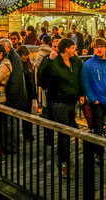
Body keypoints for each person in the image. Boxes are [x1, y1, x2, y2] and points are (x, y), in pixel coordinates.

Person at [37, 38, 83, 177]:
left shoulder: (75, 62)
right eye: (73, 48)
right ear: (67, 49)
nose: (75, 51)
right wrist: (49, 61)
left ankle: (64, 154)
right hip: (58, 101)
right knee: (63, 132)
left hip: (71, 101)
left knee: (67, 130)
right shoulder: (52, 62)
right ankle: (63, 162)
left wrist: (81, 93)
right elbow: (41, 78)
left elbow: (79, 77)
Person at [81, 37, 106, 159]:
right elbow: (85, 83)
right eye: (97, 46)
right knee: (98, 129)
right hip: (97, 102)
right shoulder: (88, 65)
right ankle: (99, 153)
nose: (99, 49)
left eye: (102, 46)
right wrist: (93, 99)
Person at [16, 45, 38, 140]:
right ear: (20, 55)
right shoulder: (19, 65)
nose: (27, 57)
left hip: (29, 92)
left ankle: (28, 134)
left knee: (28, 115)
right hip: (23, 93)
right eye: (25, 55)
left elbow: (32, 79)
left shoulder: (28, 64)